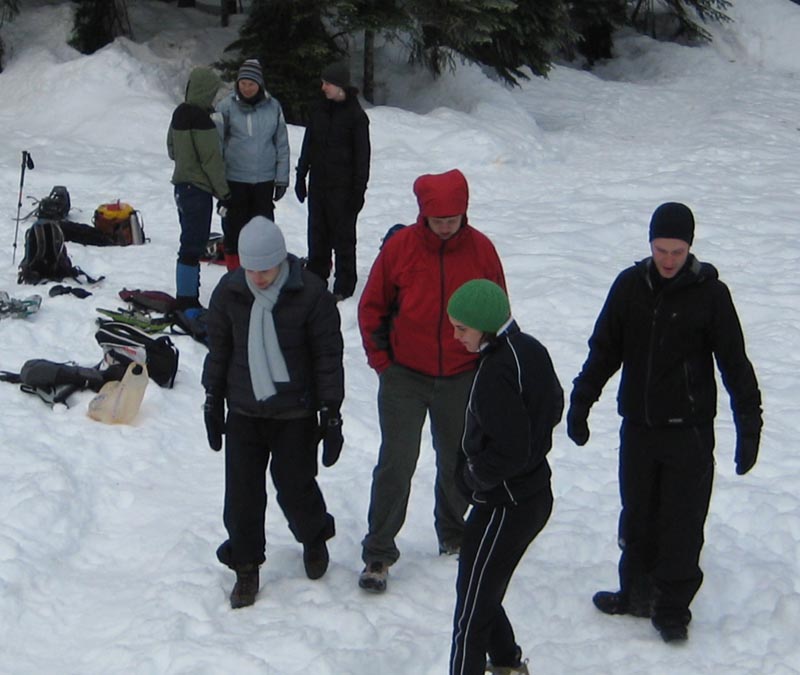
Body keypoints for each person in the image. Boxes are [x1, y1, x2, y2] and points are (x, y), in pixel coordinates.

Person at [567, 202, 763, 642]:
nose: (669, 260)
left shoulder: (711, 295)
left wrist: (749, 426)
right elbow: (604, 350)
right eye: (661, 250)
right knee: (638, 514)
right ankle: (635, 592)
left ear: (690, 248)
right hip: (639, 426)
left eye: (677, 251)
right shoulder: (629, 287)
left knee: (681, 520)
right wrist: (582, 401)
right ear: (650, 244)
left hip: (689, 431)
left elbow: (735, 364)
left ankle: (672, 607)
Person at [356, 168, 506, 593]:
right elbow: (372, 307)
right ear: (423, 215)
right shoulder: (401, 249)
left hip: (461, 376)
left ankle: (455, 534)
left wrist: (486, 364)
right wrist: (383, 361)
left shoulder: (481, 251)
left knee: (458, 459)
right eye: (438, 219)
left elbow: (497, 311)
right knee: (396, 462)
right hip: (404, 375)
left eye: (453, 219)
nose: (445, 226)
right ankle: (379, 551)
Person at [201, 216, 345, 609]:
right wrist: (213, 399)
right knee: (242, 496)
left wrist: (331, 413)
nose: (259, 278)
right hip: (245, 410)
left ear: (281, 260)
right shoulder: (230, 293)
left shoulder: (310, 294)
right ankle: (246, 566)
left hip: (294, 412)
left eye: (266, 269)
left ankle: (313, 536)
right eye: (251, 269)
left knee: (296, 487)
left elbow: (327, 357)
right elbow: (219, 351)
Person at [446, 279, 563, 675]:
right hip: (531, 495)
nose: (455, 335)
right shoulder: (529, 349)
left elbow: (510, 450)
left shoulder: (495, 371)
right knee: (479, 590)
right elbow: (554, 405)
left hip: (506, 505)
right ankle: (508, 663)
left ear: (485, 326)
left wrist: (472, 476)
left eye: (462, 328)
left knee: (470, 616)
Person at [295, 61, 371, 301]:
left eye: (327, 83)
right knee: (317, 234)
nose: (323, 87)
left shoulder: (356, 117)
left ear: (340, 86)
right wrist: (300, 175)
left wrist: (358, 192)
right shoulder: (319, 109)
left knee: (343, 239)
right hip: (318, 185)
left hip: (344, 189)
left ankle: (344, 286)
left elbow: (363, 159)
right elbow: (309, 144)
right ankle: (317, 277)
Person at [214, 59, 290, 271]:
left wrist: (282, 178)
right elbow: (216, 145)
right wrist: (218, 181)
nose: (247, 88)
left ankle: (263, 272)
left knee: (263, 228)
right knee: (234, 228)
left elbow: (281, 144)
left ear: (260, 84)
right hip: (234, 179)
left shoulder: (273, 107)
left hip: (264, 180)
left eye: (251, 84)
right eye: (243, 83)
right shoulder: (226, 106)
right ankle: (235, 274)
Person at [167, 66, 231, 310]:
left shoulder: (179, 113)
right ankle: (187, 300)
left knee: (188, 241)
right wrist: (224, 192)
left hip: (181, 187)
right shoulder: (202, 120)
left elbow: (171, 149)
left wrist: (185, 161)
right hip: (198, 190)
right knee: (194, 244)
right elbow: (211, 160)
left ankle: (187, 294)